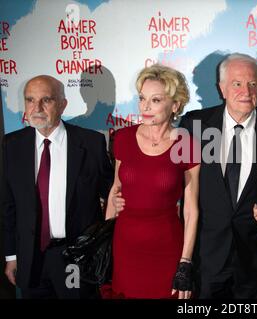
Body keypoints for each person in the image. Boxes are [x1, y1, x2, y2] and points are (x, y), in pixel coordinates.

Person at [179, 53, 257, 298]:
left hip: (254, 259)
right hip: (206, 257)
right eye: (237, 84)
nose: (246, 91)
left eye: (252, 84)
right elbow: (177, 184)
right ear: (222, 88)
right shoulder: (194, 125)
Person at [2, 75, 113, 298]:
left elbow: (111, 193)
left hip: (75, 257)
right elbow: (7, 205)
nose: (37, 108)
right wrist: (11, 256)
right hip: (31, 258)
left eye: (47, 100)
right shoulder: (12, 145)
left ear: (63, 105)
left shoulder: (91, 143)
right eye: (30, 100)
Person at [104, 64, 200, 299]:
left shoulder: (186, 144)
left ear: (175, 105)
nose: (145, 106)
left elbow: (190, 211)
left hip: (167, 248)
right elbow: (115, 189)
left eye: (155, 100)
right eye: (142, 98)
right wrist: (104, 240)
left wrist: (185, 262)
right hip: (125, 247)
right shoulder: (123, 138)